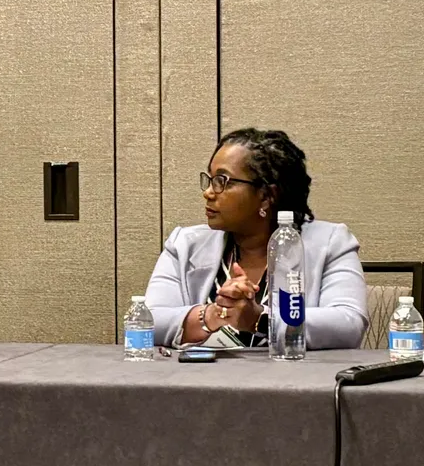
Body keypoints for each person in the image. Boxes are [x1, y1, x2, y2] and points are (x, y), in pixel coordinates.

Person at [145, 128, 368, 348]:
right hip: (200, 381)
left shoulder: (330, 243)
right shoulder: (184, 244)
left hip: (294, 381)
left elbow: (348, 324)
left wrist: (260, 320)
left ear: (265, 197)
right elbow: (147, 321)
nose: (209, 192)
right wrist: (212, 315)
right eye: (211, 179)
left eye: (223, 180)